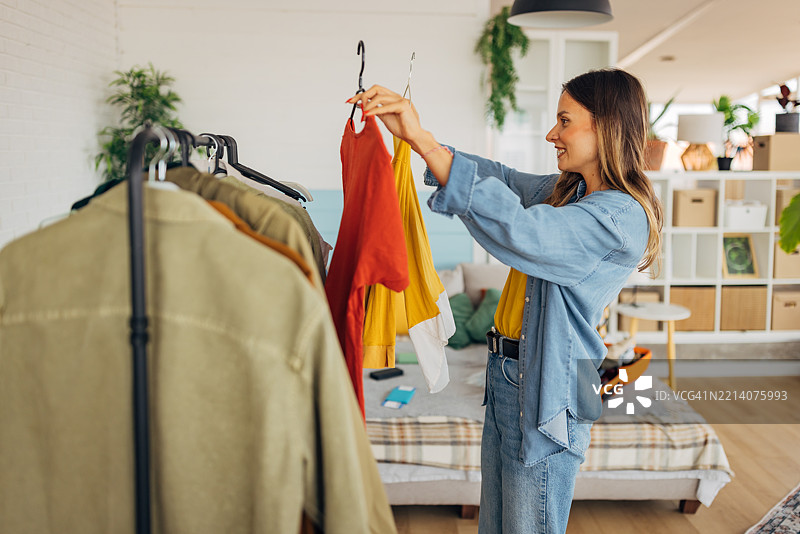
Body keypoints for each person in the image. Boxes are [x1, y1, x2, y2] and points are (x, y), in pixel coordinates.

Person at [348, 68, 663, 534]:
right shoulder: (568, 192)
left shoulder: (617, 216)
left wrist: (425, 143)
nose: (552, 134)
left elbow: (525, 232)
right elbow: (505, 179)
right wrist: (419, 140)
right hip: (508, 376)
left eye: (565, 121)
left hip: (545, 389)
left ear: (607, 126)